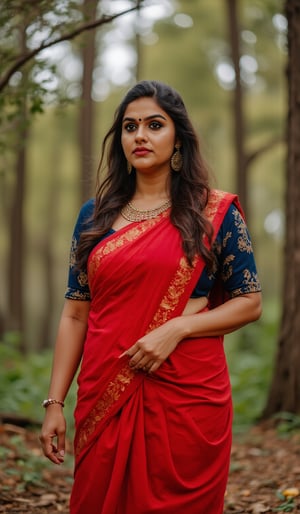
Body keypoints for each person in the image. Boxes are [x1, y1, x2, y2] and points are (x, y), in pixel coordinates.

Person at [40, 80, 262, 514]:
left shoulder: (213, 212)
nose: (139, 135)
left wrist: (177, 328)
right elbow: (75, 314)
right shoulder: (95, 215)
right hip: (105, 389)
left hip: (187, 397)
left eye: (154, 125)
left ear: (178, 136)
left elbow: (249, 302)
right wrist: (54, 403)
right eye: (129, 126)